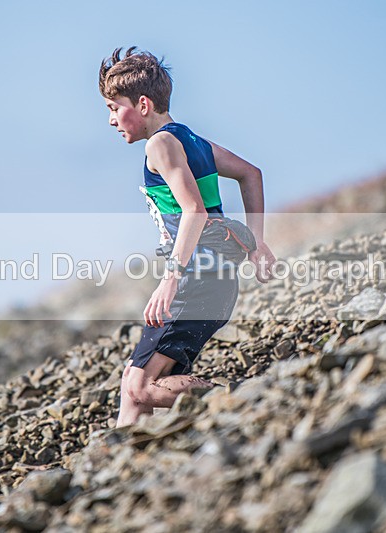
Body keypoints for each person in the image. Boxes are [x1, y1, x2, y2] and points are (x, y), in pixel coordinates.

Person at [99, 46, 276, 427]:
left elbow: (194, 210)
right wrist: (257, 243)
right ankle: (125, 456)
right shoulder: (193, 141)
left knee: (139, 386)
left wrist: (170, 279)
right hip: (216, 280)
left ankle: (243, 399)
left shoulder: (160, 144)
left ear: (143, 104)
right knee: (133, 389)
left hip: (196, 279)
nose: (111, 120)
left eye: (114, 108)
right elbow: (251, 173)